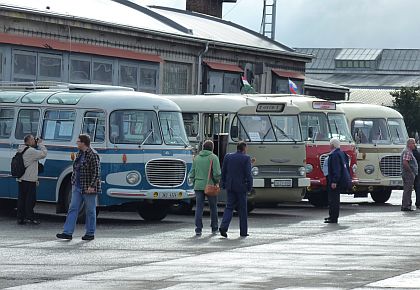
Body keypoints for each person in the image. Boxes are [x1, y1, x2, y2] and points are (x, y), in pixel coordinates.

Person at [56, 134, 101, 240]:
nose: (76, 143)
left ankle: (90, 233)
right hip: (77, 186)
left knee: (90, 210)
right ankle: (67, 232)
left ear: (83, 143)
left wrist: (92, 186)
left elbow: (97, 172)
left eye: (78, 141)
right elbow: (76, 169)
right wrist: (73, 182)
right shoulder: (79, 153)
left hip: (88, 188)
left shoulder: (93, 154)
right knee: (73, 208)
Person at [219, 141, 253, 238]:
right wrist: (249, 187)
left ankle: (223, 227)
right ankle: (243, 232)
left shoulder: (228, 156)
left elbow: (224, 171)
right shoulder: (246, 158)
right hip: (241, 187)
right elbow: (248, 175)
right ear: (244, 148)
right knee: (242, 210)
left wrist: (223, 184)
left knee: (229, 207)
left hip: (230, 186)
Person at [188, 140, 221, 236]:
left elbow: (192, 173)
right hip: (210, 185)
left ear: (203, 148)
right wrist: (217, 181)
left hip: (198, 186)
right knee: (213, 207)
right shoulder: (213, 157)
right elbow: (217, 173)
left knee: (199, 208)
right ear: (212, 148)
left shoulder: (197, 158)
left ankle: (198, 229)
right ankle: (214, 228)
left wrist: (195, 181)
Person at [17, 135, 47, 225]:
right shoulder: (30, 151)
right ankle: (30, 217)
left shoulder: (21, 149)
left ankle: (20, 218)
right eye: (33, 139)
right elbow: (44, 154)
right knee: (30, 200)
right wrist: (41, 144)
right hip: (29, 179)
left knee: (22, 199)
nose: (35, 140)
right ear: (29, 141)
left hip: (21, 178)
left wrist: (35, 144)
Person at [325, 138, 348, 224]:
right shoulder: (342, 153)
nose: (329, 145)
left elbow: (336, 169)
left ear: (332, 145)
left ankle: (333, 218)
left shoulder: (334, 155)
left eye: (330, 144)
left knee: (333, 200)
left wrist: (334, 181)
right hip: (340, 180)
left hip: (334, 181)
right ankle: (332, 216)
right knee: (335, 199)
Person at [400, 138, 418, 211]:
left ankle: (406, 205)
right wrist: (411, 172)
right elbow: (405, 163)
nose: (415, 145)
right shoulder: (407, 152)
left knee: (408, 189)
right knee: (408, 190)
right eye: (413, 143)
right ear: (409, 144)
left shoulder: (408, 151)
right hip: (408, 174)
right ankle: (406, 206)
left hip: (407, 173)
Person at [413, 144, 420, 209]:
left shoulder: (413, 153)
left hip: (415, 172)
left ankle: (418, 202)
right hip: (417, 172)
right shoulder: (417, 153)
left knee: (417, 187)